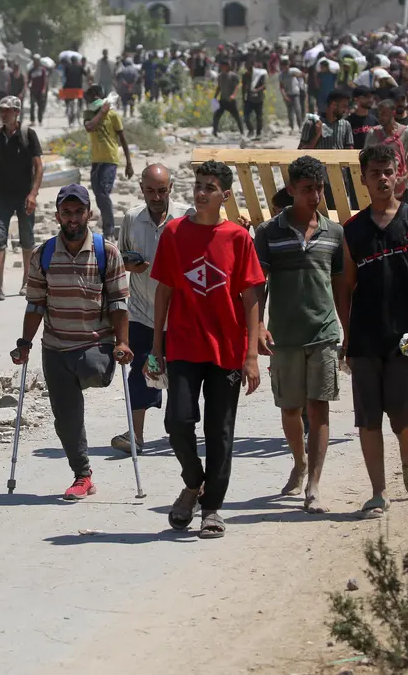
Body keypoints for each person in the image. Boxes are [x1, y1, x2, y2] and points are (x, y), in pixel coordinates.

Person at [146, 160, 264, 538]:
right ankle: (194, 481)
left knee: (220, 431)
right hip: (182, 344)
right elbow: (164, 290)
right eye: (198, 185)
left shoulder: (238, 238)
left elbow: (250, 296)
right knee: (177, 421)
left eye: (209, 187)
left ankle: (211, 509)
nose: (200, 192)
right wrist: (156, 347)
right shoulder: (175, 233)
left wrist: (250, 356)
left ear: (224, 195)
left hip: (227, 350)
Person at [339, 144, 408, 519]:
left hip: (407, 339)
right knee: (368, 417)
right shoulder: (352, 231)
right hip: (366, 339)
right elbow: (344, 287)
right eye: (375, 173)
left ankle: (407, 452)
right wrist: (348, 337)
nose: (383, 179)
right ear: (364, 179)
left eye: (388, 171)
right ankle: (377, 493)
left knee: (401, 411)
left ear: (398, 172)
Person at [12, 184, 131, 499]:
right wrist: (24, 343)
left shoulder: (107, 253)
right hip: (55, 346)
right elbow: (36, 303)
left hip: (95, 345)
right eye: (67, 212)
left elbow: (119, 302)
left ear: (89, 214)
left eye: (79, 212)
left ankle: (87, 374)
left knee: (93, 369)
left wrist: (122, 343)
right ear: (58, 216)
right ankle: (83, 476)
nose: (73, 218)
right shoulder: (44, 254)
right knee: (66, 420)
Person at [253, 156, 346, 514]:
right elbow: (258, 286)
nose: (316, 195)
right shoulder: (268, 233)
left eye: (319, 188)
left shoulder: (334, 233)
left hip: (323, 333)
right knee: (290, 410)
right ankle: (299, 461)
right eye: (307, 189)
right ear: (291, 190)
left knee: (318, 409)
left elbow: (340, 287)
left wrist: (345, 333)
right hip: (285, 337)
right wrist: (259, 326)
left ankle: (314, 485)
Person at [112, 164, 175, 455]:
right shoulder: (132, 218)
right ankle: (136, 435)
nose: (156, 196)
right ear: (142, 189)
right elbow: (119, 259)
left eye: (161, 190)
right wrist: (130, 265)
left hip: (177, 315)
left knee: (179, 375)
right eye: (150, 190)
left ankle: (178, 428)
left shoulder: (184, 217)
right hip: (140, 312)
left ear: (170, 188)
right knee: (140, 373)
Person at [0, 96, 42, 301]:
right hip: (1, 194)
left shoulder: (28, 134)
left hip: (24, 195)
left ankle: (27, 282)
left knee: (26, 237)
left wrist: (33, 193)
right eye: (1, 110)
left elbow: (38, 166)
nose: (3, 114)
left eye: (7, 110)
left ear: (17, 112)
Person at [83, 86, 134, 239]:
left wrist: (129, 163)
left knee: (104, 192)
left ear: (97, 96)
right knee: (98, 193)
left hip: (110, 159)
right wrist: (102, 112)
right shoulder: (89, 115)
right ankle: (108, 227)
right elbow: (89, 126)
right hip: (96, 160)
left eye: (90, 97)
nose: (88, 101)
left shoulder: (113, 115)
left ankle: (109, 230)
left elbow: (123, 139)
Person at [212, 60, 244, 137]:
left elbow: (237, 87)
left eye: (222, 66)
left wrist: (233, 95)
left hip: (230, 100)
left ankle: (242, 132)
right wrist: (215, 97)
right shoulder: (220, 76)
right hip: (222, 100)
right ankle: (215, 132)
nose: (221, 67)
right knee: (216, 116)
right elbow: (219, 87)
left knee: (236, 116)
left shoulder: (233, 76)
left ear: (227, 66)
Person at [61, 56, 87, 126]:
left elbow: (65, 76)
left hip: (68, 89)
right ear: (76, 61)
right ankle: (79, 112)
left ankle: (67, 108)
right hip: (78, 89)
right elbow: (86, 74)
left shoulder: (67, 67)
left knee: (67, 100)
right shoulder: (80, 67)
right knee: (81, 102)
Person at [281, 67, 305, 134]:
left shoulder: (293, 71)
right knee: (290, 112)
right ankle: (292, 128)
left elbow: (302, 75)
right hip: (288, 94)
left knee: (298, 110)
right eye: (284, 65)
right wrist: (285, 96)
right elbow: (281, 86)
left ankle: (300, 127)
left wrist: (296, 74)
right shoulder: (282, 75)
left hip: (295, 94)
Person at [27, 55, 49, 125]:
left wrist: (44, 89)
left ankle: (40, 120)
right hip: (33, 91)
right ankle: (32, 121)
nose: (36, 62)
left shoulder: (43, 70)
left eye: (37, 61)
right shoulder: (31, 71)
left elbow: (44, 80)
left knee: (40, 106)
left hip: (40, 91)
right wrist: (28, 86)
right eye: (34, 61)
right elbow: (28, 80)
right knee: (32, 106)